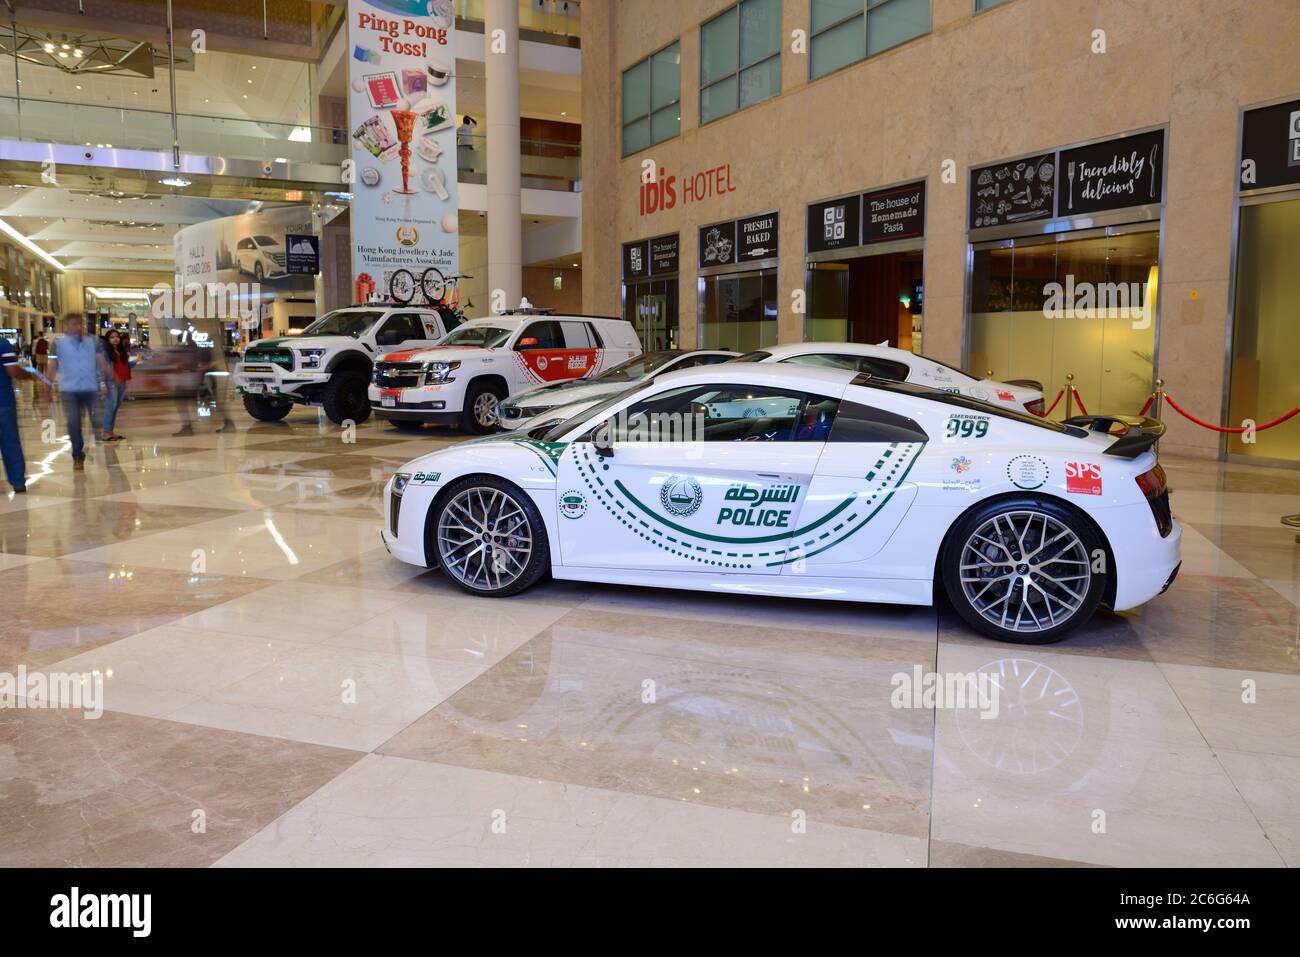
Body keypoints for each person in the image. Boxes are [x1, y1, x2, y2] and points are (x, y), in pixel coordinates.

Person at [47, 312, 109, 471]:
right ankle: (78, 455)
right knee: (74, 422)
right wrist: (47, 387)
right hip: (69, 390)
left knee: (97, 420)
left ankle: (96, 440)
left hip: (90, 387)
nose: (79, 327)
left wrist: (109, 378)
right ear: (67, 325)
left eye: (81, 323)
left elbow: (101, 362)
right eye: (74, 324)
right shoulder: (58, 343)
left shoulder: (93, 341)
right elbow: (52, 366)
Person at [0, 334, 35, 493]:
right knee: (10, 442)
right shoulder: (3, 344)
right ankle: (18, 482)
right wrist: (28, 374)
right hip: (3, 401)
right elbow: (13, 370)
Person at [102, 329, 132, 441]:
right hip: (111, 382)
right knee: (111, 407)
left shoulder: (120, 351)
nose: (115, 339)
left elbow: (125, 367)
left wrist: (136, 361)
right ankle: (106, 432)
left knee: (115, 407)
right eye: (112, 337)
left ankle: (110, 431)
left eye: (117, 337)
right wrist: (102, 383)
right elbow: (101, 368)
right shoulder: (105, 352)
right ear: (108, 340)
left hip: (121, 382)